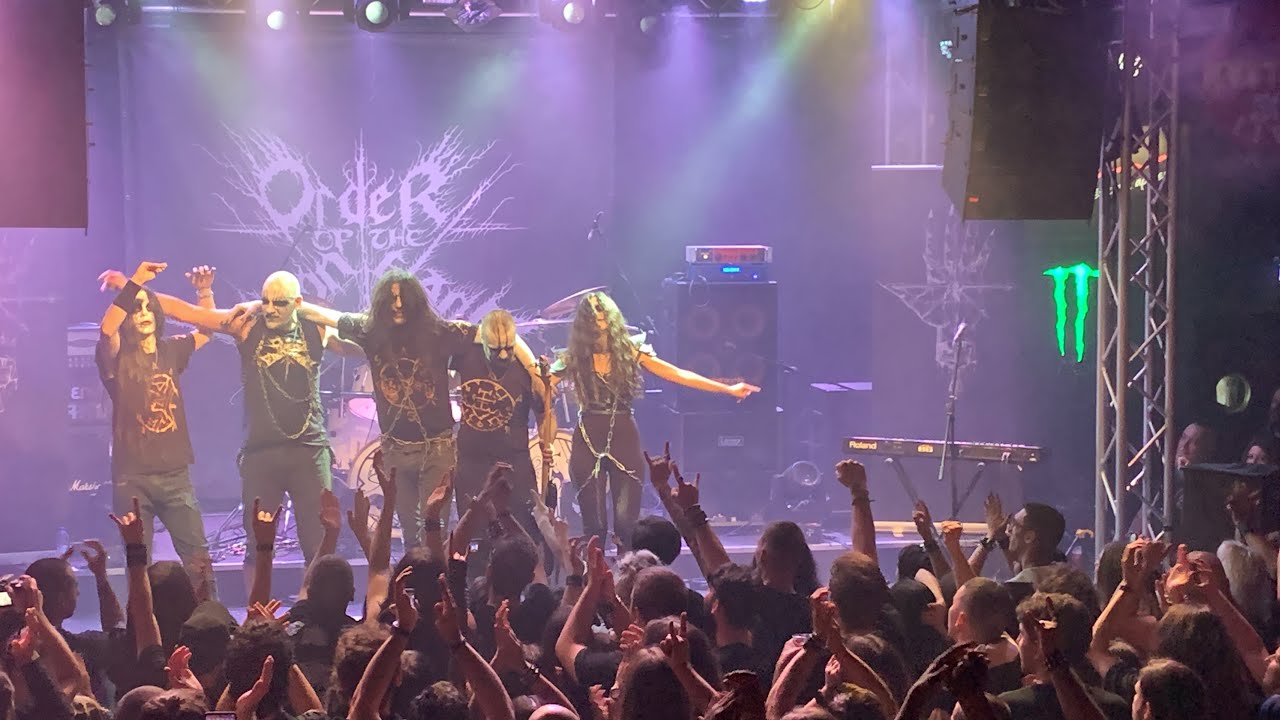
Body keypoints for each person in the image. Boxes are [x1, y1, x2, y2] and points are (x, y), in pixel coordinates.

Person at [97, 266, 362, 570]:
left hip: (307, 451)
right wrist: (131, 284)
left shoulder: (317, 330)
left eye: (280, 303)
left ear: (297, 303)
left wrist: (315, 315)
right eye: (265, 301)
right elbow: (192, 315)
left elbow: (364, 339)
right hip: (256, 454)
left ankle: (312, 599)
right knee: (256, 549)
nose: (270, 309)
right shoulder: (245, 324)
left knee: (317, 544)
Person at [297, 269, 541, 549]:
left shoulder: (438, 332)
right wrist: (289, 306)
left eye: (403, 298)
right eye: (392, 299)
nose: (398, 305)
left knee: (434, 531)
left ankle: (437, 575)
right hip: (396, 450)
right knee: (411, 535)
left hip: (436, 448)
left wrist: (534, 371)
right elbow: (330, 317)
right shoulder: (371, 330)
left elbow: (493, 334)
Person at [552, 291, 758, 547]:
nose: (597, 313)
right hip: (587, 435)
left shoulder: (630, 350)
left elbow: (677, 374)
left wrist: (727, 389)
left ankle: (628, 570)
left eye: (601, 307)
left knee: (626, 523)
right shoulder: (573, 357)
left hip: (623, 435)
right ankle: (592, 570)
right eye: (591, 309)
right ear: (584, 319)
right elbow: (541, 382)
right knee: (594, 526)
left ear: (611, 314)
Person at [95, 261, 215, 598]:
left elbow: (206, 330)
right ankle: (141, 626)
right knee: (139, 566)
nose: (144, 313)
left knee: (198, 559)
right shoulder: (116, 357)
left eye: (149, 308)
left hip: (176, 475)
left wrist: (204, 292)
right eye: (136, 310)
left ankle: (213, 619)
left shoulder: (171, 350)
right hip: (132, 480)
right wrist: (133, 282)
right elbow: (107, 329)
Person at [450, 309, 555, 549]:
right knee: (476, 537)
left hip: (514, 465)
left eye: (509, 347)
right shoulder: (467, 354)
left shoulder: (527, 371)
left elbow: (546, 416)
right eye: (496, 350)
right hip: (471, 464)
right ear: (483, 342)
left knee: (522, 534)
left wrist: (546, 439)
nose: (504, 355)